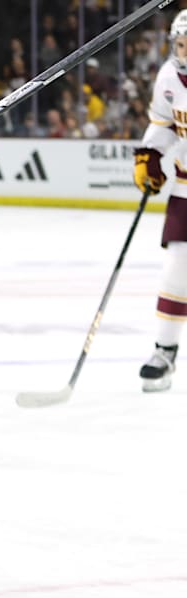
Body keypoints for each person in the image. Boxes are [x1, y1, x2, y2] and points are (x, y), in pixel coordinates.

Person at [132, 9, 187, 392]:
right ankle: (165, 351)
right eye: (181, 44)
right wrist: (150, 155)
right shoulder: (169, 77)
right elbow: (164, 124)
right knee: (176, 270)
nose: (184, 52)